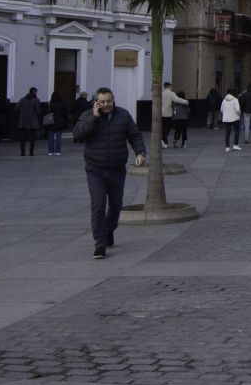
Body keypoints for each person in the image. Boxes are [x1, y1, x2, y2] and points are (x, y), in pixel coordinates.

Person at [73, 87, 145, 259]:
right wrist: (94, 118)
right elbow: (77, 136)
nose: (106, 105)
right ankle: (99, 243)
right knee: (98, 205)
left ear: (113, 101)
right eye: (102, 102)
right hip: (95, 169)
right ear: (96, 102)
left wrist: (140, 153)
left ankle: (108, 230)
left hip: (116, 168)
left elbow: (134, 135)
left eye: (109, 101)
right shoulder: (88, 116)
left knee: (116, 205)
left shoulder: (123, 115)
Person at [14, 87, 42, 156]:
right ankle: (31, 152)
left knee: (22, 138)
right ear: (34, 92)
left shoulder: (22, 100)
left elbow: (16, 108)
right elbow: (39, 111)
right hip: (32, 122)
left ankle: (22, 152)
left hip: (23, 121)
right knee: (32, 138)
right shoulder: (36, 100)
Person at [45, 90, 68, 156]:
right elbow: (64, 113)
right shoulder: (61, 105)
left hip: (50, 122)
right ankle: (58, 151)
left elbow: (47, 113)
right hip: (59, 122)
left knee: (50, 137)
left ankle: (50, 151)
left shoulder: (50, 105)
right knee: (58, 138)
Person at [160, 82, 179, 148]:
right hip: (168, 113)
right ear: (169, 86)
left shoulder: (161, 93)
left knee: (164, 127)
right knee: (168, 127)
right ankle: (164, 139)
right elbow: (175, 101)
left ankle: (164, 141)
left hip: (162, 113)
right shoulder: (171, 93)